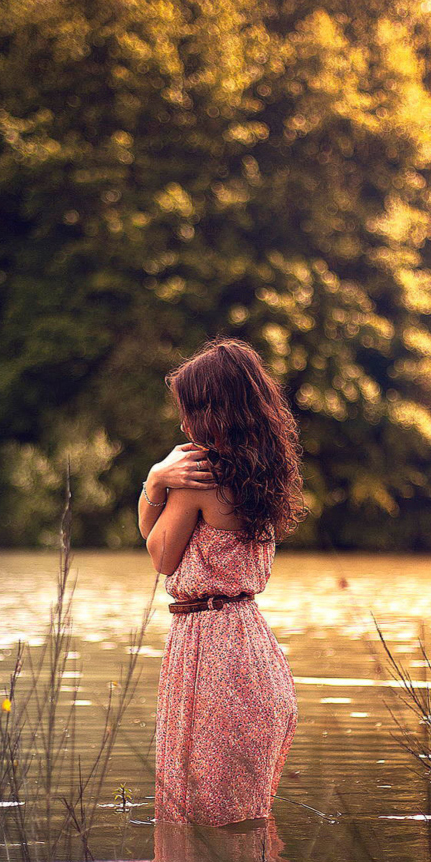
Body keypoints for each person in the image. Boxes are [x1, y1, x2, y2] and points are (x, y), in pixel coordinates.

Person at [138, 336, 307, 827]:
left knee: (195, 826)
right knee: (244, 830)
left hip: (210, 657)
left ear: (213, 410)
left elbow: (159, 555)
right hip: (253, 654)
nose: (185, 421)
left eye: (191, 408)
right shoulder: (264, 473)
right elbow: (158, 537)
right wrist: (160, 488)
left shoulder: (201, 478)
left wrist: (155, 479)